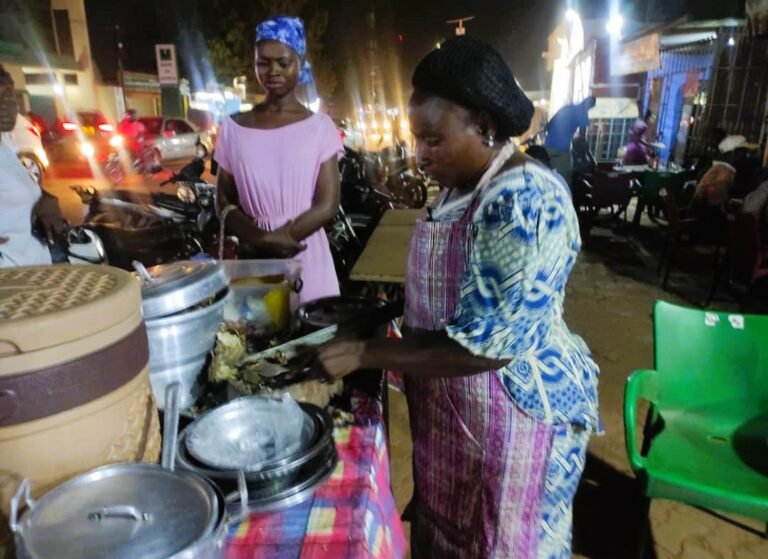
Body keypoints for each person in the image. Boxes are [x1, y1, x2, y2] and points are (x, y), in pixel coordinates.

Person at [319, 37, 600, 558]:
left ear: (485, 126)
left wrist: (363, 353)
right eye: (417, 139)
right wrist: (371, 320)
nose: (421, 155)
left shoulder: (522, 201)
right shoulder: (459, 187)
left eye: (433, 140)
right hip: (463, 419)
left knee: (503, 543)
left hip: (517, 419)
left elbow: (486, 347)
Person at [214, 16, 342, 303]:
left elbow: (328, 203)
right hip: (254, 259)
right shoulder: (233, 127)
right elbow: (222, 198)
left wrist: (283, 238)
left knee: (313, 340)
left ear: (300, 61)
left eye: (283, 63)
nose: (273, 71)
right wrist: (258, 238)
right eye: (263, 62)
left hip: (305, 251)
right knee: (259, 335)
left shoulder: (320, 127)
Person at [0, 64, 66, 267]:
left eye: (8, 95)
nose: (5, 104)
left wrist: (43, 199)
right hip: (12, 286)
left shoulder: (6, 148)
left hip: (34, 272)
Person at [544, 95, 596, 186]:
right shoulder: (582, 112)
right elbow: (582, 137)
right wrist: (587, 153)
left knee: (548, 178)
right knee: (566, 179)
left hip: (547, 147)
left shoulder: (567, 107)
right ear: (590, 106)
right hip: (561, 150)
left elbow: (548, 126)